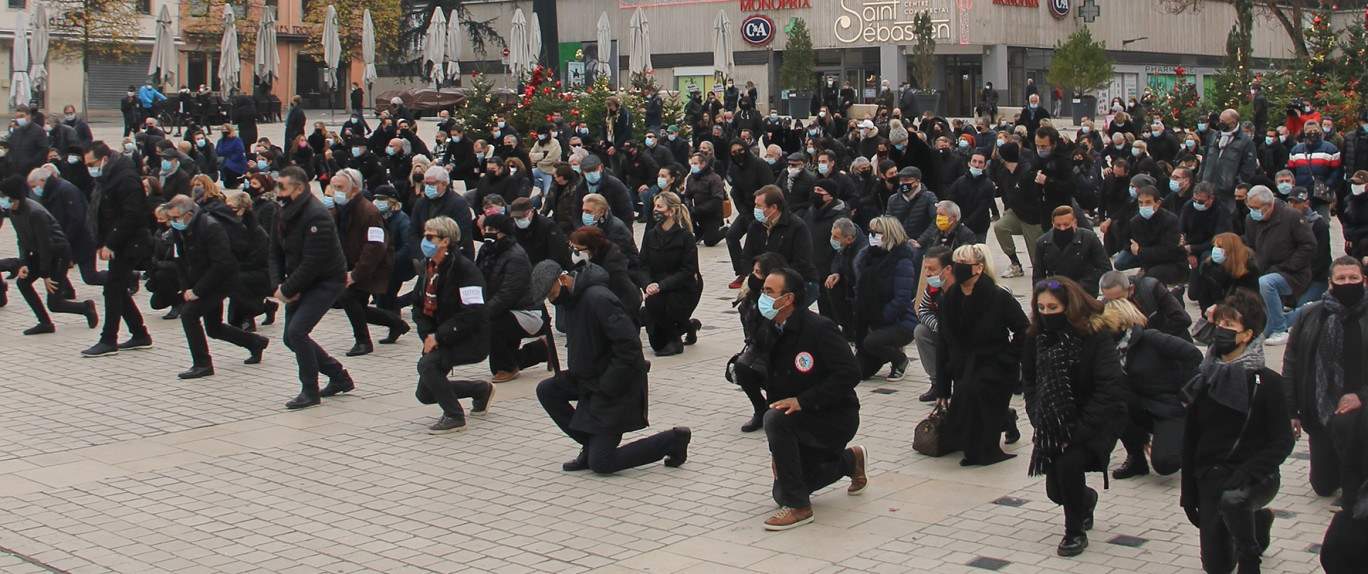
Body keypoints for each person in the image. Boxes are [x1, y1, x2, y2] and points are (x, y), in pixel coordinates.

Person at [533, 259, 691, 475]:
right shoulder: (572, 301)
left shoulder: (597, 298)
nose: (552, 300)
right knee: (547, 390)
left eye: (551, 293)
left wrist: (606, 386)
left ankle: (672, 440)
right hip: (589, 379)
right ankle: (591, 443)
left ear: (562, 279)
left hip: (616, 385)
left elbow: (630, 349)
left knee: (602, 463)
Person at [1180, 290, 1293, 574]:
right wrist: (1188, 491)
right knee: (1217, 566)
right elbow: (1191, 438)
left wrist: (1248, 472)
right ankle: (1256, 524)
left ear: (1247, 335)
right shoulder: (1205, 377)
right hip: (1211, 475)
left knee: (1235, 502)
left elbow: (1282, 441)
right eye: (1220, 325)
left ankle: (1250, 552)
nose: (1221, 332)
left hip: (1251, 476)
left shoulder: (1267, 383)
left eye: (1230, 327)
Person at [748, 267, 866, 531]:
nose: (763, 296)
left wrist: (803, 401)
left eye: (769, 291)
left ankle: (800, 508)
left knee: (776, 420)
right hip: (798, 417)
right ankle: (851, 460)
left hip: (832, 415)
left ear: (788, 299)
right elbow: (776, 387)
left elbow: (850, 373)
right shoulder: (772, 329)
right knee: (783, 492)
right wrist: (777, 454)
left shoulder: (819, 328)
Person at [1022, 277, 1127, 557]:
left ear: (1069, 307)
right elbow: (1030, 382)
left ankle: (1074, 532)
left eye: (1053, 307)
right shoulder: (1036, 336)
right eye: (1041, 307)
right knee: (1057, 491)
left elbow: (1108, 391)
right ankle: (1085, 500)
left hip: (1097, 417)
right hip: (1054, 419)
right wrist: (1038, 417)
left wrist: (1074, 434)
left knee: (1068, 464)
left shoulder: (1095, 336)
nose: (1047, 314)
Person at [932, 244, 1029, 466]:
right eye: (956, 263)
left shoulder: (998, 296)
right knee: (968, 396)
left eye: (964, 264)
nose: (959, 268)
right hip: (964, 364)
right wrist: (942, 387)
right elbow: (943, 343)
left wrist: (1010, 356)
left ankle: (982, 450)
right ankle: (1005, 419)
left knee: (974, 393)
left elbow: (1024, 329)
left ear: (978, 268)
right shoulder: (949, 300)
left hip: (996, 363)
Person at [1284, 256, 1368, 502]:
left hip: (1361, 412)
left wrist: (1361, 396)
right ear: (1330, 283)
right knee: (1323, 485)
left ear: (1364, 281)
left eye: (1354, 278)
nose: (1347, 283)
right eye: (1341, 279)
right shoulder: (1310, 315)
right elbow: (1291, 364)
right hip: (1321, 410)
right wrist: (1292, 410)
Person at [269, 166, 353, 410]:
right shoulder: (282, 211)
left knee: (297, 332)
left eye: (282, 186)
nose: (278, 191)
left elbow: (313, 261)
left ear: (299, 188)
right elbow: (273, 251)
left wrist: (288, 289)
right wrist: (278, 285)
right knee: (289, 337)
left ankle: (310, 390)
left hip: (327, 280)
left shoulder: (316, 215)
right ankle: (338, 376)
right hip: (299, 280)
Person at [162, 195, 269, 378]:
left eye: (176, 218)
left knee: (189, 315)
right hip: (201, 280)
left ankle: (202, 364)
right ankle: (255, 343)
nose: (173, 222)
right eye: (171, 218)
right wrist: (186, 288)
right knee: (213, 328)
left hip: (221, 281)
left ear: (189, 214)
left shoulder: (211, 228)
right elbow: (180, 260)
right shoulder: (181, 230)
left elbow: (221, 265)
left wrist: (197, 291)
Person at [411, 215, 496, 434]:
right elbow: (418, 308)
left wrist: (438, 337)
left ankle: (454, 416)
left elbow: (474, 311)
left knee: (428, 366)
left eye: (430, 237)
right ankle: (479, 390)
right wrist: (429, 336)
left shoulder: (464, 270)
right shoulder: (427, 270)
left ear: (445, 241)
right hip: (441, 336)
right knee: (425, 393)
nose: (425, 241)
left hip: (470, 339)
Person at [1105, 298, 1202, 480]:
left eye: (1108, 324)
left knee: (1165, 464)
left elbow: (1194, 355)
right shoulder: (1110, 349)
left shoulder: (1151, 338)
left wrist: (1187, 393)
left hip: (1170, 407)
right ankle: (1136, 458)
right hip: (1142, 406)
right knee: (1114, 399)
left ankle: (1189, 439)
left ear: (1124, 324)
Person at [80, 141, 153, 357]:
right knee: (117, 288)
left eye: (92, 163)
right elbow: (105, 213)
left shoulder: (125, 177)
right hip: (118, 241)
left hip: (129, 242)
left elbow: (132, 214)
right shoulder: (107, 176)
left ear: (104, 159)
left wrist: (111, 243)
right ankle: (140, 334)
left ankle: (108, 339)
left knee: (112, 288)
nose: (89, 168)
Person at [0, 175, 97, 334]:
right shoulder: (13, 212)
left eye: (2, 196)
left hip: (57, 253)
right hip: (41, 253)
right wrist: (24, 263)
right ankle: (45, 323)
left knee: (55, 303)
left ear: (13, 197)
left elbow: (45, 244)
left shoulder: (34, 212)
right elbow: (21, 239)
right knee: (23, 283)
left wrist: (46, 275)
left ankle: (86, 308)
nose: (1, 199)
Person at [330, 169, 407, 357]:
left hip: (373, 266)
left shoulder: (369, 212)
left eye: (340, 187)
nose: (336, 191)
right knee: (358, 307)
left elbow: (375, 247)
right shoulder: (339, 209)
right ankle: (396, 323)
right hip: (352, 264)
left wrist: (356, 274)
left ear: (354, 189)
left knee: (347, 297)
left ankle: (363, 341)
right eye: (334, 187)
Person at [1243, 185, 1316, 345]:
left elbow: (1309, 246)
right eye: (1249, 207)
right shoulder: (1251, 220)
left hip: (1293, 273)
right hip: (1267, 270)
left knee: (1266, 283)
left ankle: (1280, 330)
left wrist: (1289, 266)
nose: (1252, 211)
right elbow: (1251, 246)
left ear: (1268, 205)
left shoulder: (1292, 216)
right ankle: (1304, 312)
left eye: (1255, 208)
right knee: (1266, 323)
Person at [635, 192, 703, 357]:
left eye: (660, 207)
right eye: (655, 206)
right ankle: (688, 326)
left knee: (657, 305)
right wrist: (648, 284)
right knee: (657, 343)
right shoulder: (652, 235)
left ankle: (675, 340)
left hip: (683, 287)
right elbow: (643, 265)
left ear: (671, 211)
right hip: (659, 287)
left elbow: (688, 270)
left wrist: (661, 285)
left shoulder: (685, 237)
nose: (655, 211)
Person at [854, 216, 921, 381]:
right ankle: (883, 353)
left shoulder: (902, 262)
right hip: (871, 320)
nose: (872, 236)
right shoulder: (866, 259)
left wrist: (879, 321)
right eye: (870, 232)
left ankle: (900, 360)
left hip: (899, 321)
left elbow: (902, 299)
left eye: (877, 233)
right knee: (859, 372)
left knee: (872, 342)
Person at [744, 185, 819, 300]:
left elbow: (801, 262)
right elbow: (747, 256)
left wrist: (775, 280)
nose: (756, 209)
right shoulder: (755, 226)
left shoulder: (797, 227)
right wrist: (754, 277)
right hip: (764, 283)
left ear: (773, 208)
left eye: (759, 206)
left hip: (798, 283)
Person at [725, 140, 776, 288]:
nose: (738, 155)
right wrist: (745, 213)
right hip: (746, 210)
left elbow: (769, 189)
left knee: (753, 242)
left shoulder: (760, 165)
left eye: (740, 150)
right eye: (734, 152)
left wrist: (762, 211)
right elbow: (736, 192)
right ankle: (741, 272)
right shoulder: (734, 168)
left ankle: (758, 272)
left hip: (763, 209)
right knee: (731, 236)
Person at [1116, 185, 1189, 287]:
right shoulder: (1135, 222)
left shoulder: (1171, 220)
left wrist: (1140, 251)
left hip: (1174, 264)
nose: (1144, 206)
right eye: (1141, 203)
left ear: (1158, 203)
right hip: (1151, 264)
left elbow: (1167, 251)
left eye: (1148, 202)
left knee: (1151, 278)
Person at [569, 226, 641, 328]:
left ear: (592, 248)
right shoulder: (590, 264)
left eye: (578, 250)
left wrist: (613, 320)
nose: (575, 254)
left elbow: (631, 299)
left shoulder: (614, 270)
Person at [1034, 206, 1111, 296]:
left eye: (1066, 225)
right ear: (1053, 224)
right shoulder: (1043, 242)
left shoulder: (1089, 238)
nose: (1062, 229)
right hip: (1057, 292)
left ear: (1075, 223)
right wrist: (1049, 288)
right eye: (1058, 225)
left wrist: (1080, 285)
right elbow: (1038, 277)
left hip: (1084, 291)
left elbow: (1105, 267)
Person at [992, 142, 1043, 277]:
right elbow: (1003, 192)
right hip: (1015, 211)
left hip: (1032, 217)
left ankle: (1042, 274)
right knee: (1000, 227)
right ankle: (1015, 262)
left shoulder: (1027, 171)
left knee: (1036, 256)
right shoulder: (1004, 172)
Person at [1100, 271, 1193, 342]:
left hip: (1171, 340)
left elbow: (1183, 318)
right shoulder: (1105, 307)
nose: (1115, 304)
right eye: (1110, 300)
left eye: (1119, 298)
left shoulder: (1151, 288)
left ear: (1131, 290)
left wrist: (1157, 338)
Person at [412, 166, 474, 260]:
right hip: (426, 256)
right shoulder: (421, 202)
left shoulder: (458, 204)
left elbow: (460, 236)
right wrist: (422, 254)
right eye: (426, 183)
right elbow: (413, 230)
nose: (428, 187)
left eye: (432, 184)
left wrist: (439, 254)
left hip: (454, 258)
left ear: (444, 184)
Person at [1200, 109, 1259, 203]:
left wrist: (1236, 183)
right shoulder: (1214, 136)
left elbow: (1249, 167)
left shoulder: (1245, 142)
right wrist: (1202, 176)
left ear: (1233, 123)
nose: (1220, 123)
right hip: (1208, 189)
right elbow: (1205, 158)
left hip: (1228, 194)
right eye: (1220, 120)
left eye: (1224, 122)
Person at [1287, 121, 1343, 218]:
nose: (1313, 133)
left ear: (1320, 131)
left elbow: (1337, 171)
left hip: (1321, 196)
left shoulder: (1331, 149)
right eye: (1310, 131)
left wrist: (1328, 185)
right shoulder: (1296, 151)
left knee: (1321, 225)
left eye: (1315, 130)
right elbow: (1291, 171)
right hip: (1301, 196)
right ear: (1305, 133)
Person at [682, 153, 726, 247]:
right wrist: (689, 205)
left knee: (709, 241)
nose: (693, 166)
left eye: (695, 163)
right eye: (692, 163)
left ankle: (726, 230)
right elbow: (687, 195)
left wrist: (699, 209)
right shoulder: (691, 178)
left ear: (703, 164)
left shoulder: (714, 178)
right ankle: (699, 232)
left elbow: (717, 200)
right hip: (697, 211)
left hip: (712, 214)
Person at [216, 124, 247, 189]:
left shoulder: (236, 140)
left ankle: (238, 179)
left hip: (235, 160)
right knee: (227, 185)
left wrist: (232, 159)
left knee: (228, 166)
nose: (224, 131)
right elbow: (217, 151)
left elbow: (240, 152)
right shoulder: (220, 141)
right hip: (224, 160)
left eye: (226, 130)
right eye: (223, 130)